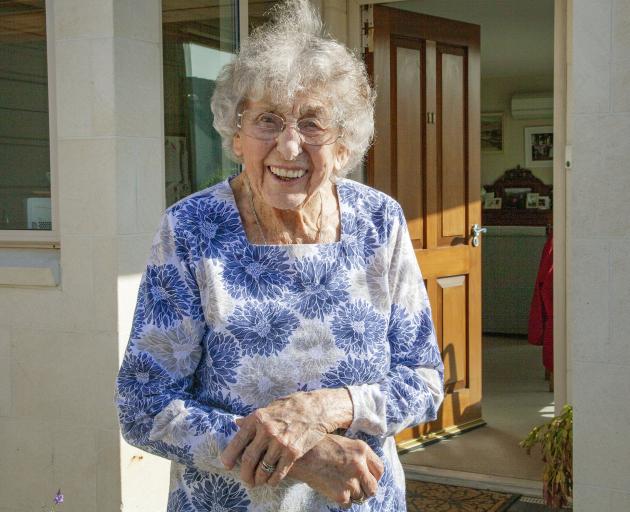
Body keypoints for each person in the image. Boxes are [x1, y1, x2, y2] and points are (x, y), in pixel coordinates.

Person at [114, 0, 444, 509]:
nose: (289, 147)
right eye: (268, 120)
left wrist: (326, 408)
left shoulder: (379, 222)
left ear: (342, 143)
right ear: (236, 133)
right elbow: (145, 406)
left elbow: (423, 381)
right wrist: (303, 454)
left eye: (313, 123)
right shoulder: (192, 229)